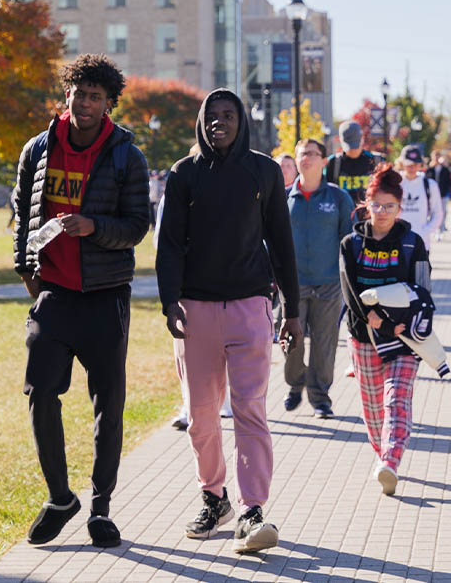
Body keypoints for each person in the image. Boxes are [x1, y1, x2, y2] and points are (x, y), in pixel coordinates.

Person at [11, 53, 150, 549]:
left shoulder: (125, 156)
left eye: (96, 96)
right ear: (66, 93)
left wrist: (95, 228)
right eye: (79, 92)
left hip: (105, 297)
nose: (86, 102)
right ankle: (59, 497)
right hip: (55, 295)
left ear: (108, 103)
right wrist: (25, 266)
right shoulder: (39, 148)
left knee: (107, 406)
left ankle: (100, 509)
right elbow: (23, 210)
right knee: (39, 391)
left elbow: (138, 225)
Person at [156, 88, 303, 554]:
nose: (220, 122)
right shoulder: (184, 174)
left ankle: (253, 509)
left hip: (249, 307)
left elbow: (281, 241)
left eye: (229, 115)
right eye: (213, 116)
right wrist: (169, 301)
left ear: (241, 121)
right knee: (201, 416)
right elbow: (168, 245)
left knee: (250, 410)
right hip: (194, 310)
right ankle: (213, 496)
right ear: (203, 121)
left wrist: (292, 310)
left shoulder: (263, 171)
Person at [339, 169, 432, 497]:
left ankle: (391, 461)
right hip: (364, 336)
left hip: (403, 337)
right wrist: (372, 319)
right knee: (373, 407)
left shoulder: (412, 243)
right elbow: (349, 291)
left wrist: (400, 323)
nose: (382, 213)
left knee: (397, 399)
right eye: (376, 206)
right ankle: (382, 455)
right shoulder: (351, 244)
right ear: (366, 204)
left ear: (400, 208)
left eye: (389, 206)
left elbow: (423, 289)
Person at [283, 138, 355, 419]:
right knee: (291, 341)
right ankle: (295, 383)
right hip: (293, 285)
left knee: (325, 344)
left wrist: (347, 281)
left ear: (324, 161)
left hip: (329, 284)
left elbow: (348, 240)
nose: (306, 158)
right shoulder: (284, 197)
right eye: (302, 154)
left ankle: (320, 398)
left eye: (312, 154)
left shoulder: (338, 197)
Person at [323, 120, 381, 205]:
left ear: (362, 139)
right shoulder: (333, 163)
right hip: (342, 215)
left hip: (370, 214)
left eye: (355, 145)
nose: (353, 150)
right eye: (350, 146)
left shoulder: (376, 161)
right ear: (341, 141)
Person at [396, 145, 443, 249]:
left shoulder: (430, 185)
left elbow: (438, 213)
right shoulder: (396, 183)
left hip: (422, 244)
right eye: (409, 163)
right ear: (402, 163)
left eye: (416, 163)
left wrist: (425, 231)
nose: (412, 167)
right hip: (397, 242)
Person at [427, 150, 451, 235]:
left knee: (442, 212)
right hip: (432, 195)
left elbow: (449, 182)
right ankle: (433, 229)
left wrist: (446, 193)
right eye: (435, 156)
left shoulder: (445, 169)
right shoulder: (430, 169)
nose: (436, 158)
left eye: (438, 156)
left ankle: (441, 229)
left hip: (443, 195)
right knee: (431, 212)